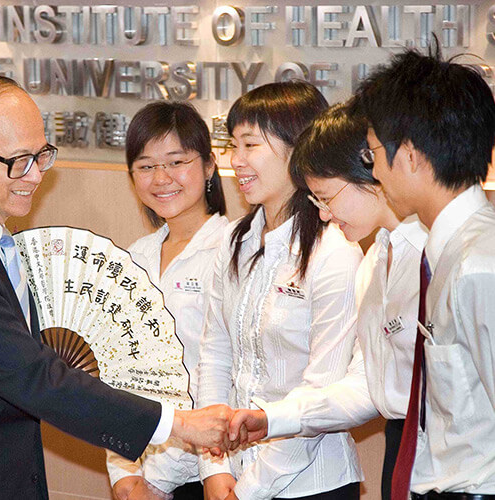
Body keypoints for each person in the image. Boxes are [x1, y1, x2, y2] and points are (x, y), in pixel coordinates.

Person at [0, 75, 243, 500]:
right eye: (19, 160)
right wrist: (178, 424)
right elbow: (33, 375)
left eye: (41, 155)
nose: (36, 175)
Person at [231, 103, 426, 500]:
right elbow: (365, 384)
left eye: (325, 196)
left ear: (371, 172)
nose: (322, 215)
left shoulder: (433, 253)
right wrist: (272, 419)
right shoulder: (376, 260)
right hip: (404, 446)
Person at [197, 81, 365, 500]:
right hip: (231, 475)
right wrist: (213, 468)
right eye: (232, 146)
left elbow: (321, 391)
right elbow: (215, 355)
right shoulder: (235, 241)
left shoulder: (336, 249)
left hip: (311, 482)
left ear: (296, 148)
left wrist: (251, 489)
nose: (236, 162)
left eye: (250, 145)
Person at [354, 47, 495, 499]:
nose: (374, 169)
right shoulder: (448, 251)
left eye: (373, 152)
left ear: (410, 155)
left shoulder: (479, 265)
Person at [106, 101, 229, 500]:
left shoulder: (232, 251)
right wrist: (122, 473)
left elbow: (223, 378)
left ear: (209, 166)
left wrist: (158, 482)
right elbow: (117, 374)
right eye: (145, 166)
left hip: (210, 474)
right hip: (139, 475)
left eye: (176, 161)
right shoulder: (134, 256)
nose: (161, 178)